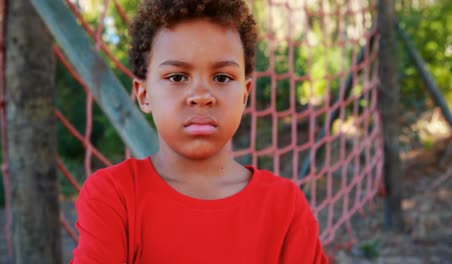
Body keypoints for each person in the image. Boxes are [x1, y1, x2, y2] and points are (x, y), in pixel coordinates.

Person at [70, 0, 328, 263]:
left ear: (245, 94)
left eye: (222, 77)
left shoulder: (284, 206)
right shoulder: (114, 196)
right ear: (144, 94)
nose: (202, 96)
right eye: (177, 77)